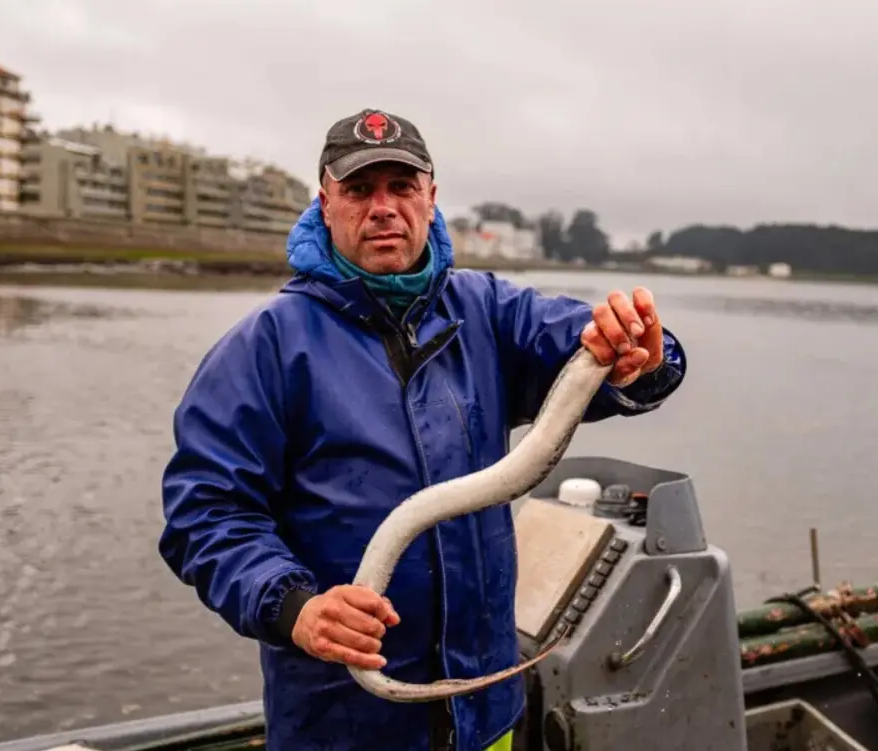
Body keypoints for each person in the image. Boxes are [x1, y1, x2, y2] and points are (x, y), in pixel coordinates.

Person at [158, 108, 688, 751]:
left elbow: (581, 344)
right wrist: (297, 609)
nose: (383, 208)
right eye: (359, 190)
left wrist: (642, 356)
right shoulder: (264, 349)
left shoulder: (488, 312)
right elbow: (206, 516)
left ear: (431, 198)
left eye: (401, 187)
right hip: (342, 727)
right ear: (326, 203)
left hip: (486, 711)